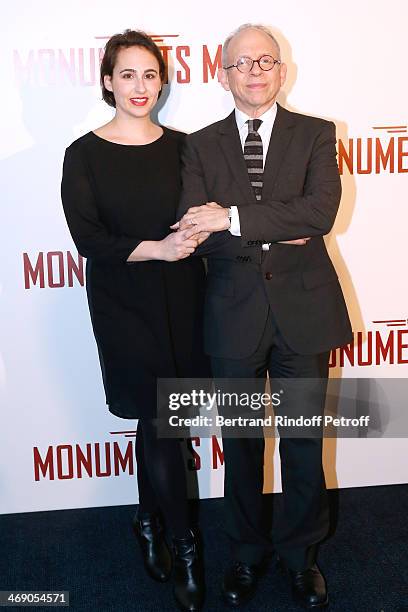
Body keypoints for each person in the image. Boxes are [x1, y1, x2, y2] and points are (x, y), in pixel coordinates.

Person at [176, 23, 353, 609]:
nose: (255, 71)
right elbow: (194, 232)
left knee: (304, 443)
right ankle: (247, 555)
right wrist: (279, 227)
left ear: (283, 70)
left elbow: (320, 212)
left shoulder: (316, 134)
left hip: (303, 315)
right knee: (243, 444)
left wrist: (232, 218)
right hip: (233, 316)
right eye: (242, 63)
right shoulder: (198, 145)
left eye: (266, 61)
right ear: (222, 73)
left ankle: (302, 559)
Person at [61, 29, 207, 612]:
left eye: (150, 74)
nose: (140, 86)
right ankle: (187, 547)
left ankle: (147, 519)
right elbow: (88, 237)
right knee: (158, 419)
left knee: (163, 425)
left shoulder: (186, 147)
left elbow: (201, 214)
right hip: (124, 300)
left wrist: (194, 235)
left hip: (185, 300)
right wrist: (160, 249)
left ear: (162, 81)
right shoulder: (84, 153)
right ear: (107, 81)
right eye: (128, 75)